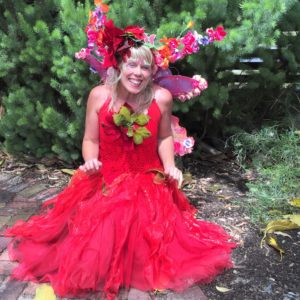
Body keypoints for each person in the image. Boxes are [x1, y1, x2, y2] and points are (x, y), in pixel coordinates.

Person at [5, 5, 236, 300]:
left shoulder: (162, 98)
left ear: (153, 70)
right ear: (118, 64)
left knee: (148, 238)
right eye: (131, 64)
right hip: (106, 179)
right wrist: (90, 160)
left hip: (148, 181)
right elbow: (90, 139)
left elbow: (164, 136)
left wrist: (170, 165)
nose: (137, 73)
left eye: (145, 67)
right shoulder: (100, 95)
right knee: (94, 235)